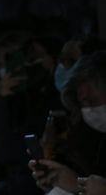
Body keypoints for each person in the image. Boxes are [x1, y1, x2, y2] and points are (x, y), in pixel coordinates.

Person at [29, 51, 106, 195]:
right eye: (83, 103)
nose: (90, 109)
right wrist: (72, 185)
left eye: (93, 100)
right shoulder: (95, 144)